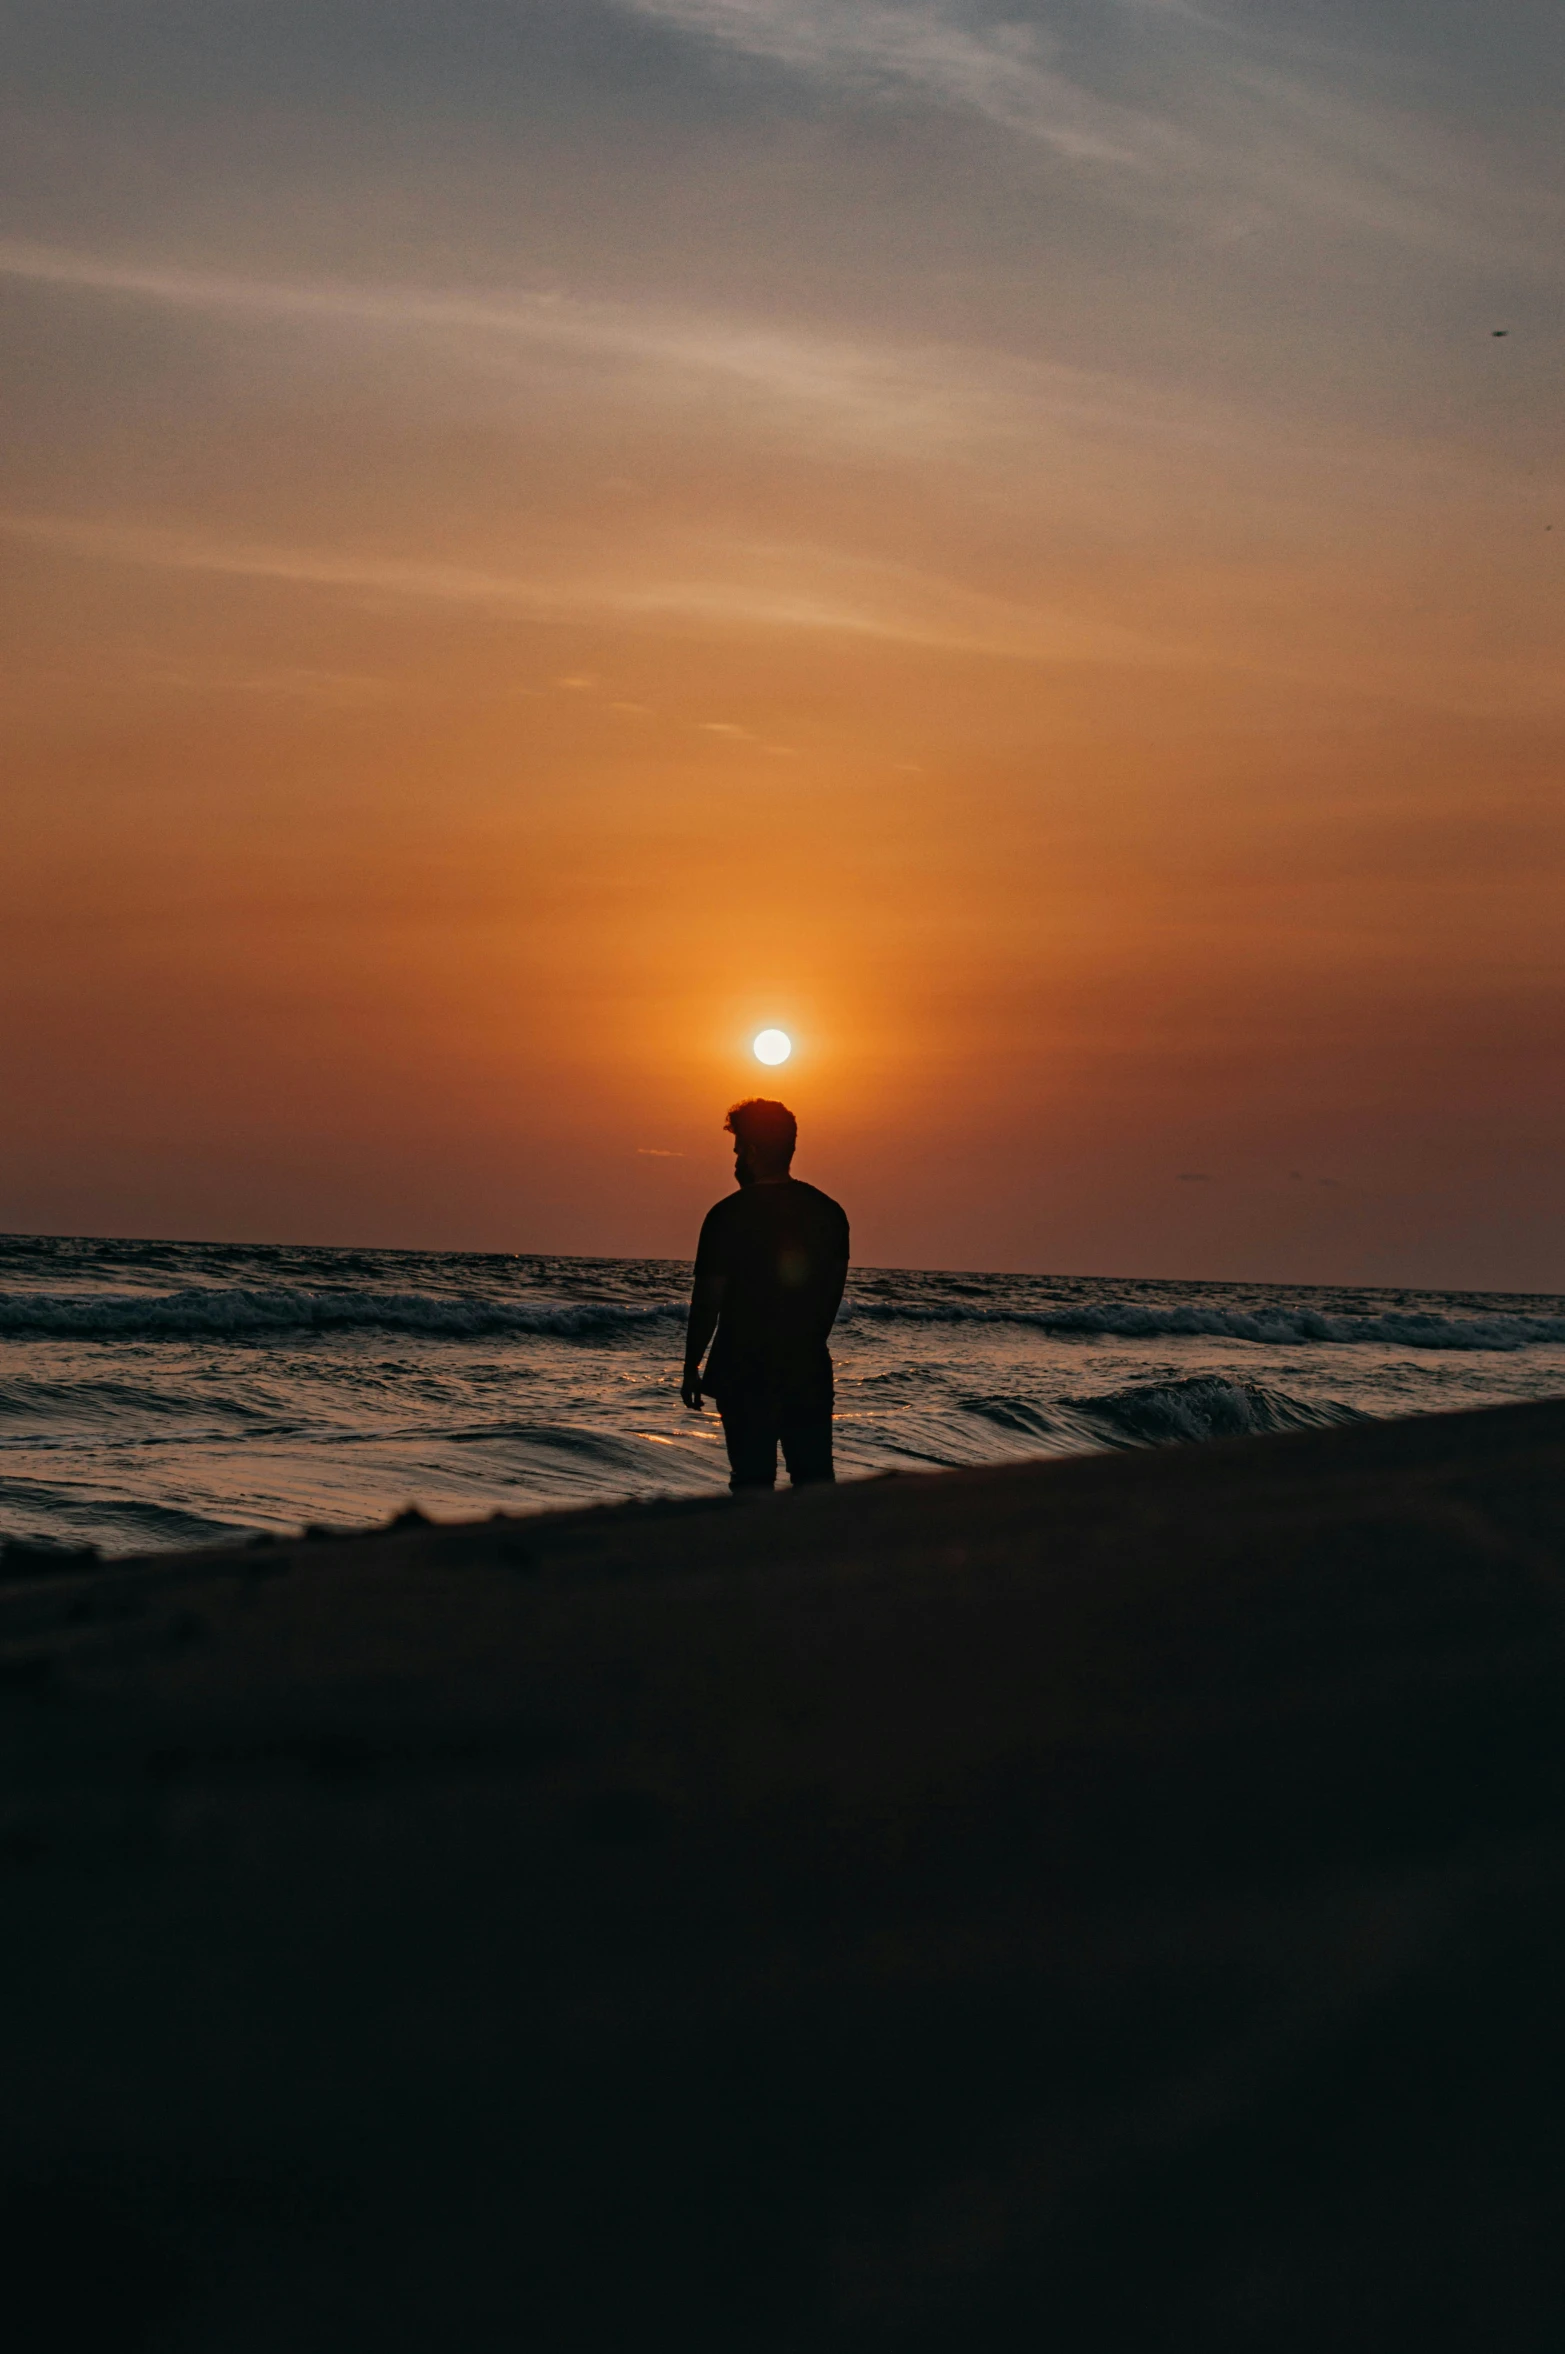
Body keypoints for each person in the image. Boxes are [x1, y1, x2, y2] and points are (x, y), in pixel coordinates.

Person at [681, 1099, 850, 1491]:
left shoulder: (725, 1215)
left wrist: (692, 1365)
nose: (736, 1159)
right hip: (807, 1367)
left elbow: (708, 1299)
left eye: (739, 1149)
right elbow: (831, 1296)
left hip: (742, 1368)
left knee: (751, 1482)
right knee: (815, 1481)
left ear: (753, 1152)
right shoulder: (830, 1213)